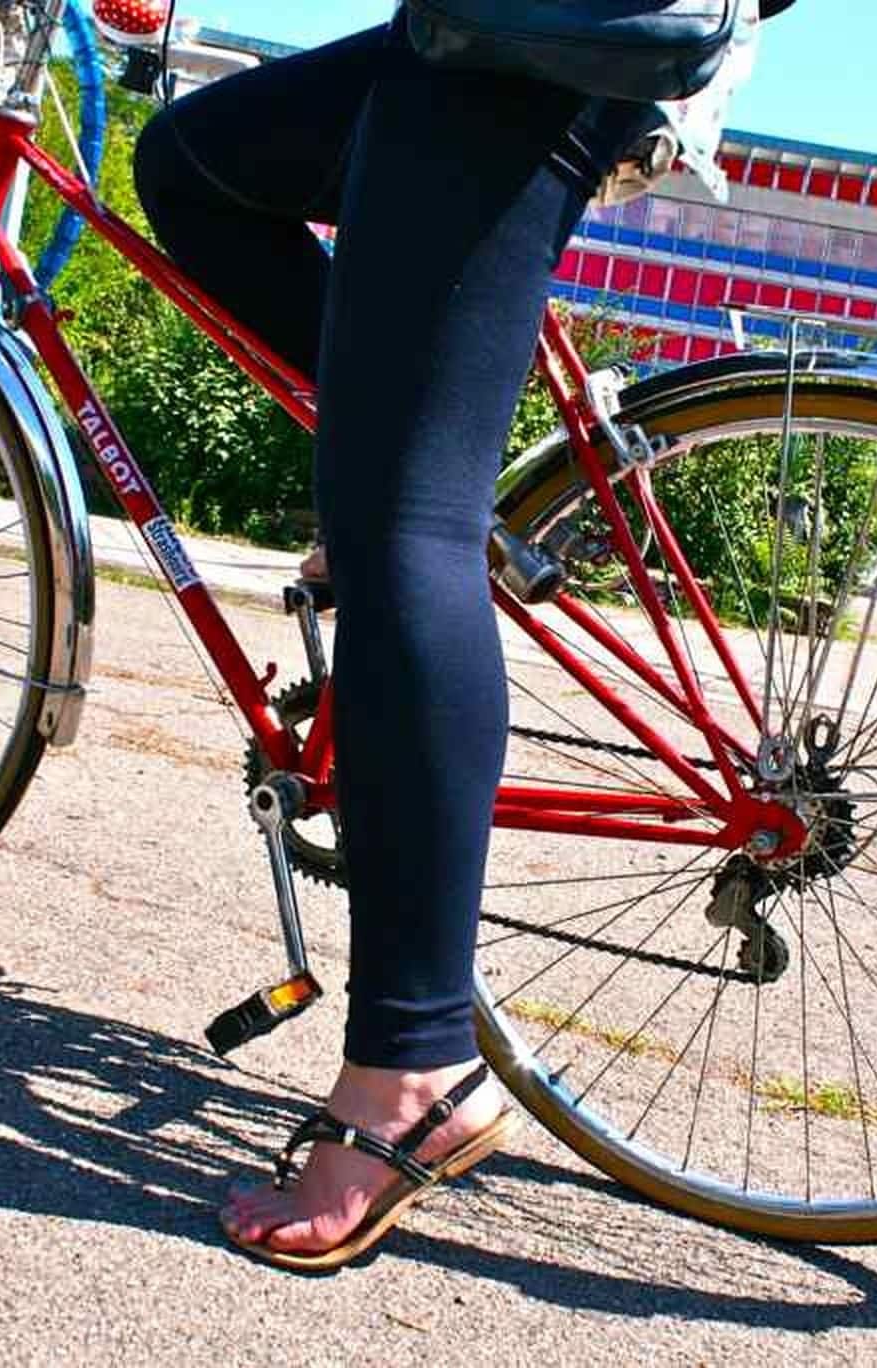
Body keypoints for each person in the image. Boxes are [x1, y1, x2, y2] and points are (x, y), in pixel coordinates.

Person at [133, 4, 785, 1269]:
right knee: (193, 163)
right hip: (488, 29)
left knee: (399, 537)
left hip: (528, 33)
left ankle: (413, 1070)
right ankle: (403, 474)